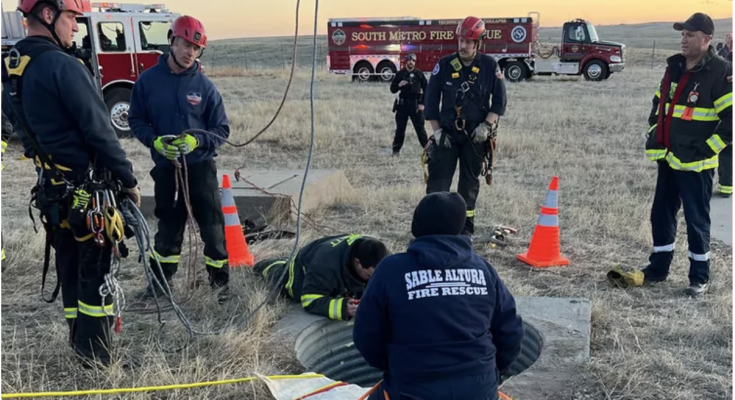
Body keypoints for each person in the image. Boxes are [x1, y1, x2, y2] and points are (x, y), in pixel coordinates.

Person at [1, 0, 140, 367]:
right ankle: (96, 358)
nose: (76, 27)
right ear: (48, 15)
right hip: (87, 192)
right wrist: (127, 179)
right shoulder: (64, 65)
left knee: (68, 265)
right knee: (94, 271)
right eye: (72, 18)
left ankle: (79, 342)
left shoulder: (15, 67)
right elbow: (100, 131)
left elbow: (22, 132)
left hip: (52, 190)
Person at [353, 192, 524, 400]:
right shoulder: (483, 270)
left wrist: (396, 367)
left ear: (417, 224)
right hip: (479, 389)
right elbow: (511, 331)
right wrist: (489, 372)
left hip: (411, 388)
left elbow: (366, 335)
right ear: (460, 226)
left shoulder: (390, 270)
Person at [128, 15, 232, 303]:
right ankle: (160, 286)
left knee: (213, 231)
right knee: (168, 231)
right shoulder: (148, 82)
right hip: (166, 170)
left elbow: (222, 129)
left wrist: (197, 139)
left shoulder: (205, 87)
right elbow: (136, 119)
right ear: (172, 41)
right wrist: (155, 141)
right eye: (186, 44)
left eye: (196, 48)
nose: (190, 53)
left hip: (200, 170)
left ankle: (220, 286)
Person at [637, 12, 732, 296]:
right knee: (661, 215)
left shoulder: (720, 72)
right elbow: (658, 104)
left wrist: (707, 148)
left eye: (690, 35)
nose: (684, 39)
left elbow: (732, 121)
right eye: (682, 34)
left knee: (696, 220)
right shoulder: (674, 68)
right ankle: (658, 269)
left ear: (706, 39)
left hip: (697, 164)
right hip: (668, 157)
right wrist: (655, 130)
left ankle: (699, 277)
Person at [423, 16, 507, 238]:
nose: (463, 46)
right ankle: (433, 229)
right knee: (438, 184)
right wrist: (437, 131)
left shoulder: (490, 66)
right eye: (461, 40)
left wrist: (486, 126)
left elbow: (499, 102)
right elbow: (431, 102)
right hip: (447, 135)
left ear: (478, 43)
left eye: (469, 42)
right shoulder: (444, 65)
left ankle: (465, 230)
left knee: (468, 186)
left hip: (475, 137)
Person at [253, 234, 390, 321]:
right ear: (357, 262)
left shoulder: (383, 256)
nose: (372, 281)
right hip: (302, 268)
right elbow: (309, 300)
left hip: (323, 259)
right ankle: (266, 265)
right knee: (285, 283)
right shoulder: (326, 265)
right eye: (368, 276)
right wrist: (342, 308)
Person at [390, 53, 428, 156]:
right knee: (400, 130)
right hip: (402, 105)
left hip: (415, 106)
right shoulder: (400, 74)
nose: (411, 62)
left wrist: (422, 104)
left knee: (420, 130)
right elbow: (392, 89)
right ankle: (395, 151)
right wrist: (399, 85)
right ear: (406, 61)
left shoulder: (419, 74)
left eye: (413, 60)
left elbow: (427, 90)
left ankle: (428, 151)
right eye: (409, 60)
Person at [715, 33, 732, 197]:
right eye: (728, 38)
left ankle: (727, 186)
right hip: (720, 104)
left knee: (728, 147)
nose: (730, 41)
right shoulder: (720, 54)